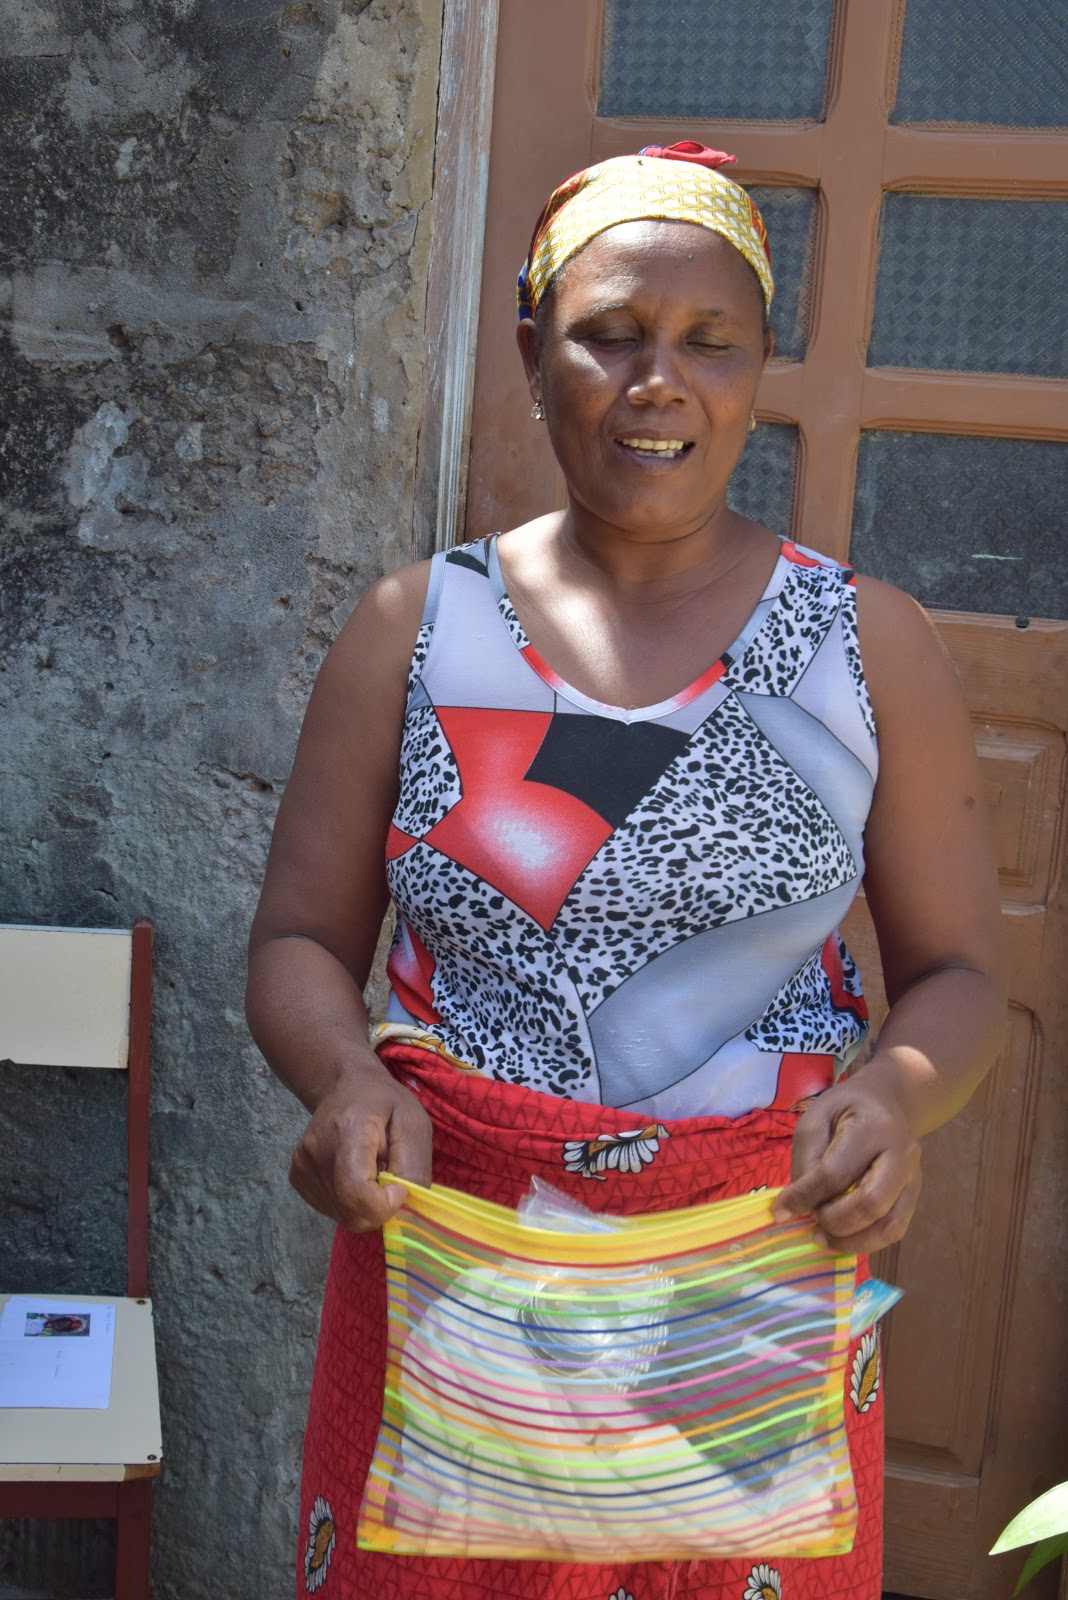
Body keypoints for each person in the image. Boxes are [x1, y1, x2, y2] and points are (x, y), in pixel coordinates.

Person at [246, 142, 1005, 1600]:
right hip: (460, 1251)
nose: (660, 380)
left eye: (711, 341)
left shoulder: (865, 648)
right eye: (610, 333)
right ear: (533, 352)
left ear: (760, 370)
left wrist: (895, 1102)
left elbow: (962, 972)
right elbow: (296, 940)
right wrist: (344, 1078)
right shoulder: (415, 632)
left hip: (751, 1260)